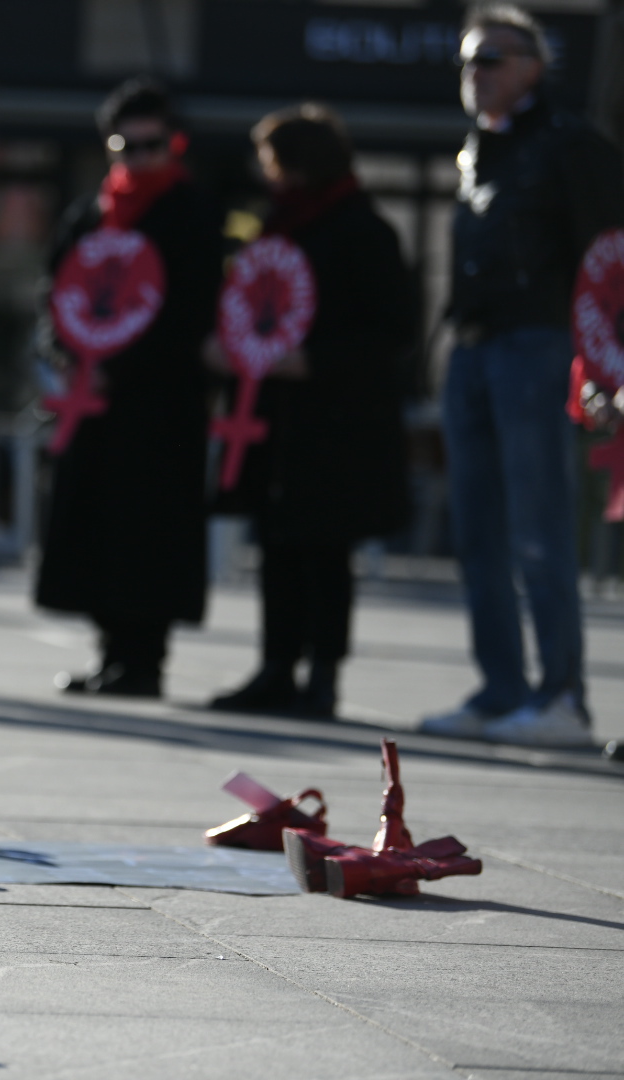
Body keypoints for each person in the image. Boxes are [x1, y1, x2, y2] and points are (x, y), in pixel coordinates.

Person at [420, 5, 624, 745]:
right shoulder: (480, 151)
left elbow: (610, 262)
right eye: (469, 62)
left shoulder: (569, 146)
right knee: (477, 530)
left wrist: (605, 360)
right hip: (474, 350)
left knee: (540, 527)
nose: (476, 75)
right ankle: (501, 690)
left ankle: (561, 696)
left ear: (533, 68)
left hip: (539, 347)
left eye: (492, 60)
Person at [208, 106, 414, 719]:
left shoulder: (362, 230)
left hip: (336, 422)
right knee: (275, 545)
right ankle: (275, 667)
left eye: (275, 163)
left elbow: (390, 331)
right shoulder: (275, 227)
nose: (268, 176)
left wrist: (315, 361)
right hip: (279, 417)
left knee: (324, 551)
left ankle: (321, 675)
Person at [35, 79, 222, 697]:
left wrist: (127, 365)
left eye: (152, 144)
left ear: (174, 143)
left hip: (160, 405)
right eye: (126, 145)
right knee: (96, 528)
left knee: (150, 532)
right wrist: (65, 353)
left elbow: (193, 310)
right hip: (94, 402)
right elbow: (56, 294)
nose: (139, 157)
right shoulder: (89, 215)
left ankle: (145, 661)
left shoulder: (191, 215)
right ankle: (112, 651)